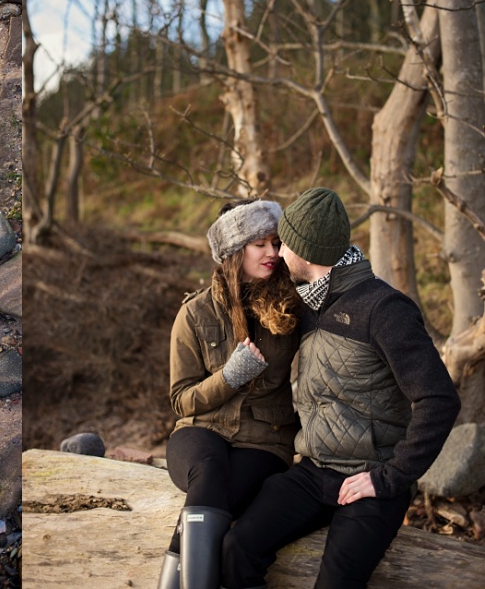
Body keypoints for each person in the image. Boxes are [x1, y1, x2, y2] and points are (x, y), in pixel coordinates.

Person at [221, 187, 461, 589]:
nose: (278, 254)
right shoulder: (309, 301)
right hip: (314, 471)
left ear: (308, 252)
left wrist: (389, 477)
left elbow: (439, 399)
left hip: (372, 480)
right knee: (235, 549)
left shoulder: (385, 310)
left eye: (286, 245)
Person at [158, 198, 301, 589]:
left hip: (263, 443)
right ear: (234, 252)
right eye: (261, 244)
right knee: (209, 467)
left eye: (276, 243)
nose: (272, 253)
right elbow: (182, 400)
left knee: (217, 488)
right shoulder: (195, 313)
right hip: (199, 433)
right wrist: (230, 376)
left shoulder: (292, 308)